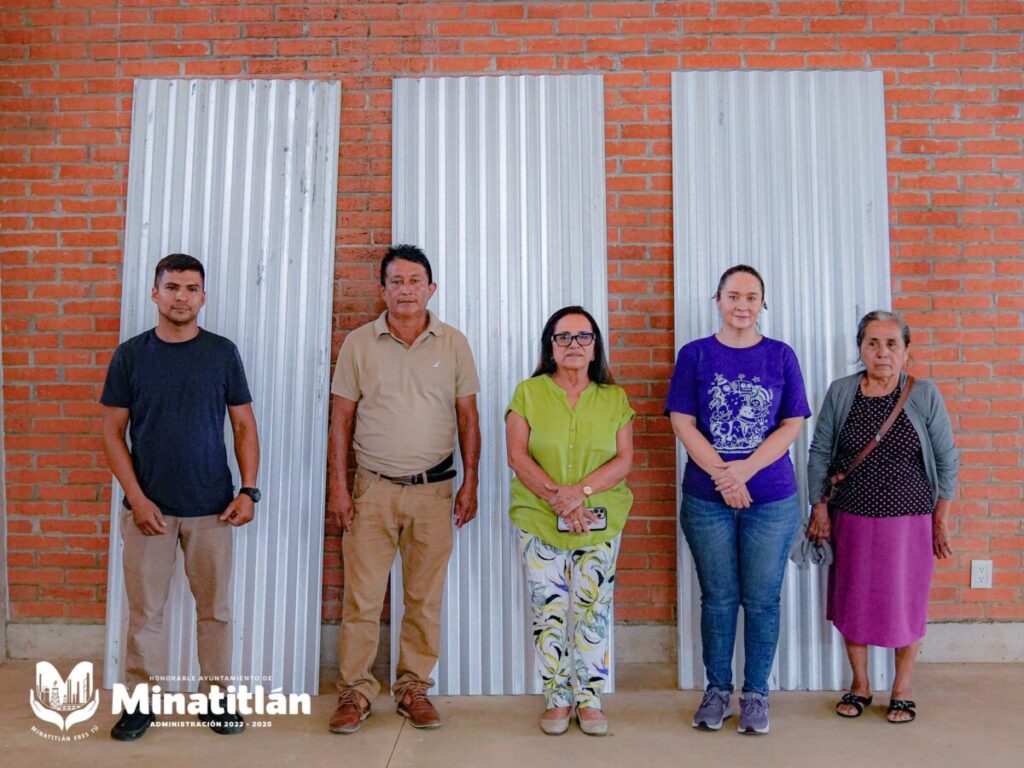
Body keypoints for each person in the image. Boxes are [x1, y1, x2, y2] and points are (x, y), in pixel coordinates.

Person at [101, 253, 260, 741]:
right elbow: (111, 431)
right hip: (149, 510)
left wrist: (249, 490)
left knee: (215, 611)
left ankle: (216, 698)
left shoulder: (221, 353)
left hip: (213, 508)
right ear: (155, 293)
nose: (181, 297)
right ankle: (141, 703)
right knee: (146, 612)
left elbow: (243, 424)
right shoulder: (131, 355)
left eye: (192, 289)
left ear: (203, 296)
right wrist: (136, 497)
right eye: (172, 288)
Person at [327, 244, 481, 734]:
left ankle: (413, 688)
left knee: (423, 597)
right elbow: (340, 420)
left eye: (415, 281)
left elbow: (468, 418)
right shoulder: (359, 344)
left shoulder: (453, 343)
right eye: (396, 281)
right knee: (362, 599)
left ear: (431, 288)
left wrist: (470, 481)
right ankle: (354, 692)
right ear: (383, 290)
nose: (406, 290)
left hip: (435, 491)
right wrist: (339, 488)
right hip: (371, 489)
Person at [666, 265, 810, 736]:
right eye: (733, 296)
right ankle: (717, 690)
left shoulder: (781, 356)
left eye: (751, 297)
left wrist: (743, 471)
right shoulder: (695, 355)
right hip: (707, 499)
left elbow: (792, 425)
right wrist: (723, 478)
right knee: (719, 598)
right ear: (718, 300)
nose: (742, 305)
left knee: (763, 599)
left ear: (762, 303)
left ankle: (756, 695)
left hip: (771, 499)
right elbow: (683, 422)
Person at [806, 310, 958, 724]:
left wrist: (940, 518)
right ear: (860, 349)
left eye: (892, 344)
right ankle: (860, 685)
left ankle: (902, 688)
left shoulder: (924, 394)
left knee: (904, 604)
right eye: (872, 343)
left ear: (907, 352)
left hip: (909, 521)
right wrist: (818, 506)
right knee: (853, 600)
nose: (882, 352)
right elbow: (820, 452)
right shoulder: (841, 392)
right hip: (850, 517)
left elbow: (947, 459)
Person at [505, 306, 634, 737]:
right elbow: (518, 456)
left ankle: (590, 699)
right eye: (564, 337)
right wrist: (560, 500)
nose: (574, 345)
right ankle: (557, 698)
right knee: (551, 611)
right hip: (539, 519)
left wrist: (580, 494)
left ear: (596, 346)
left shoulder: (614, 397)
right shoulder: (528, 392)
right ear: (550, 346)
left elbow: (624, 459)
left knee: (593, 610)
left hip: (601, 519)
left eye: (583, 337)